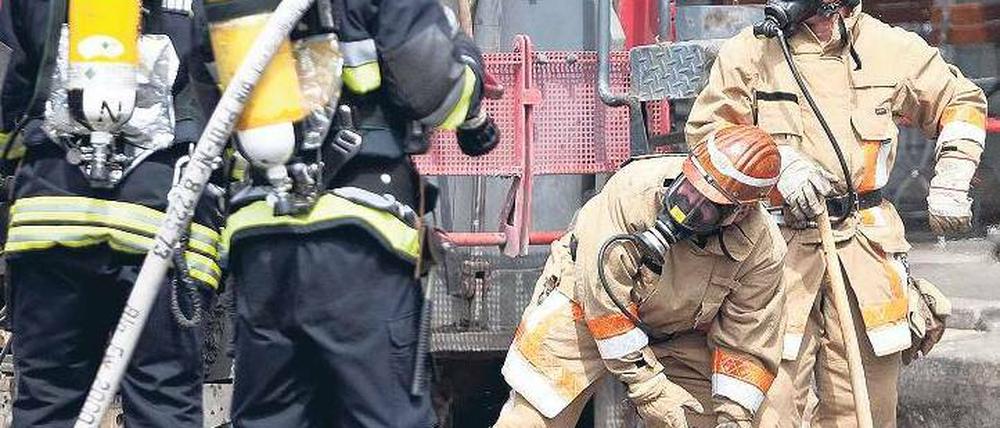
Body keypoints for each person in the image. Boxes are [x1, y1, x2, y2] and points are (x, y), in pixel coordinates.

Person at [686, 1, 986, 425]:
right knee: (769, 409)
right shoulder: (751, 52)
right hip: (775, 259)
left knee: (866, 410)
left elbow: (961, 100)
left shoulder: (892, 48)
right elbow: (707, 135)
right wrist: (777, 167)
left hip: (867, 261)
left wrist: (955, 169)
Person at [215, 0, 498, 426]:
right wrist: (468, 61)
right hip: (359, 240)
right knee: (384, 417)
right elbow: (435, 91)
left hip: (260, 241)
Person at [0, 0, 221, 426]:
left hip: (52, 214)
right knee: (165, 400)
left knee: (46, 399)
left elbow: (11, 82)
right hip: (162, 219)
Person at [494, 124, 787, 428]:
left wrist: (734, 417)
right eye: (687, 190)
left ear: (739, 213)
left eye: (708, 207)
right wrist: (650, 391)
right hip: (585, 303)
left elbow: (747, 343)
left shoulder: (762, 250)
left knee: (724, 420)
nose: (687, 208)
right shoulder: (633, 191)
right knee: (533, 417)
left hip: (681, 330)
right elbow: (604, 302)